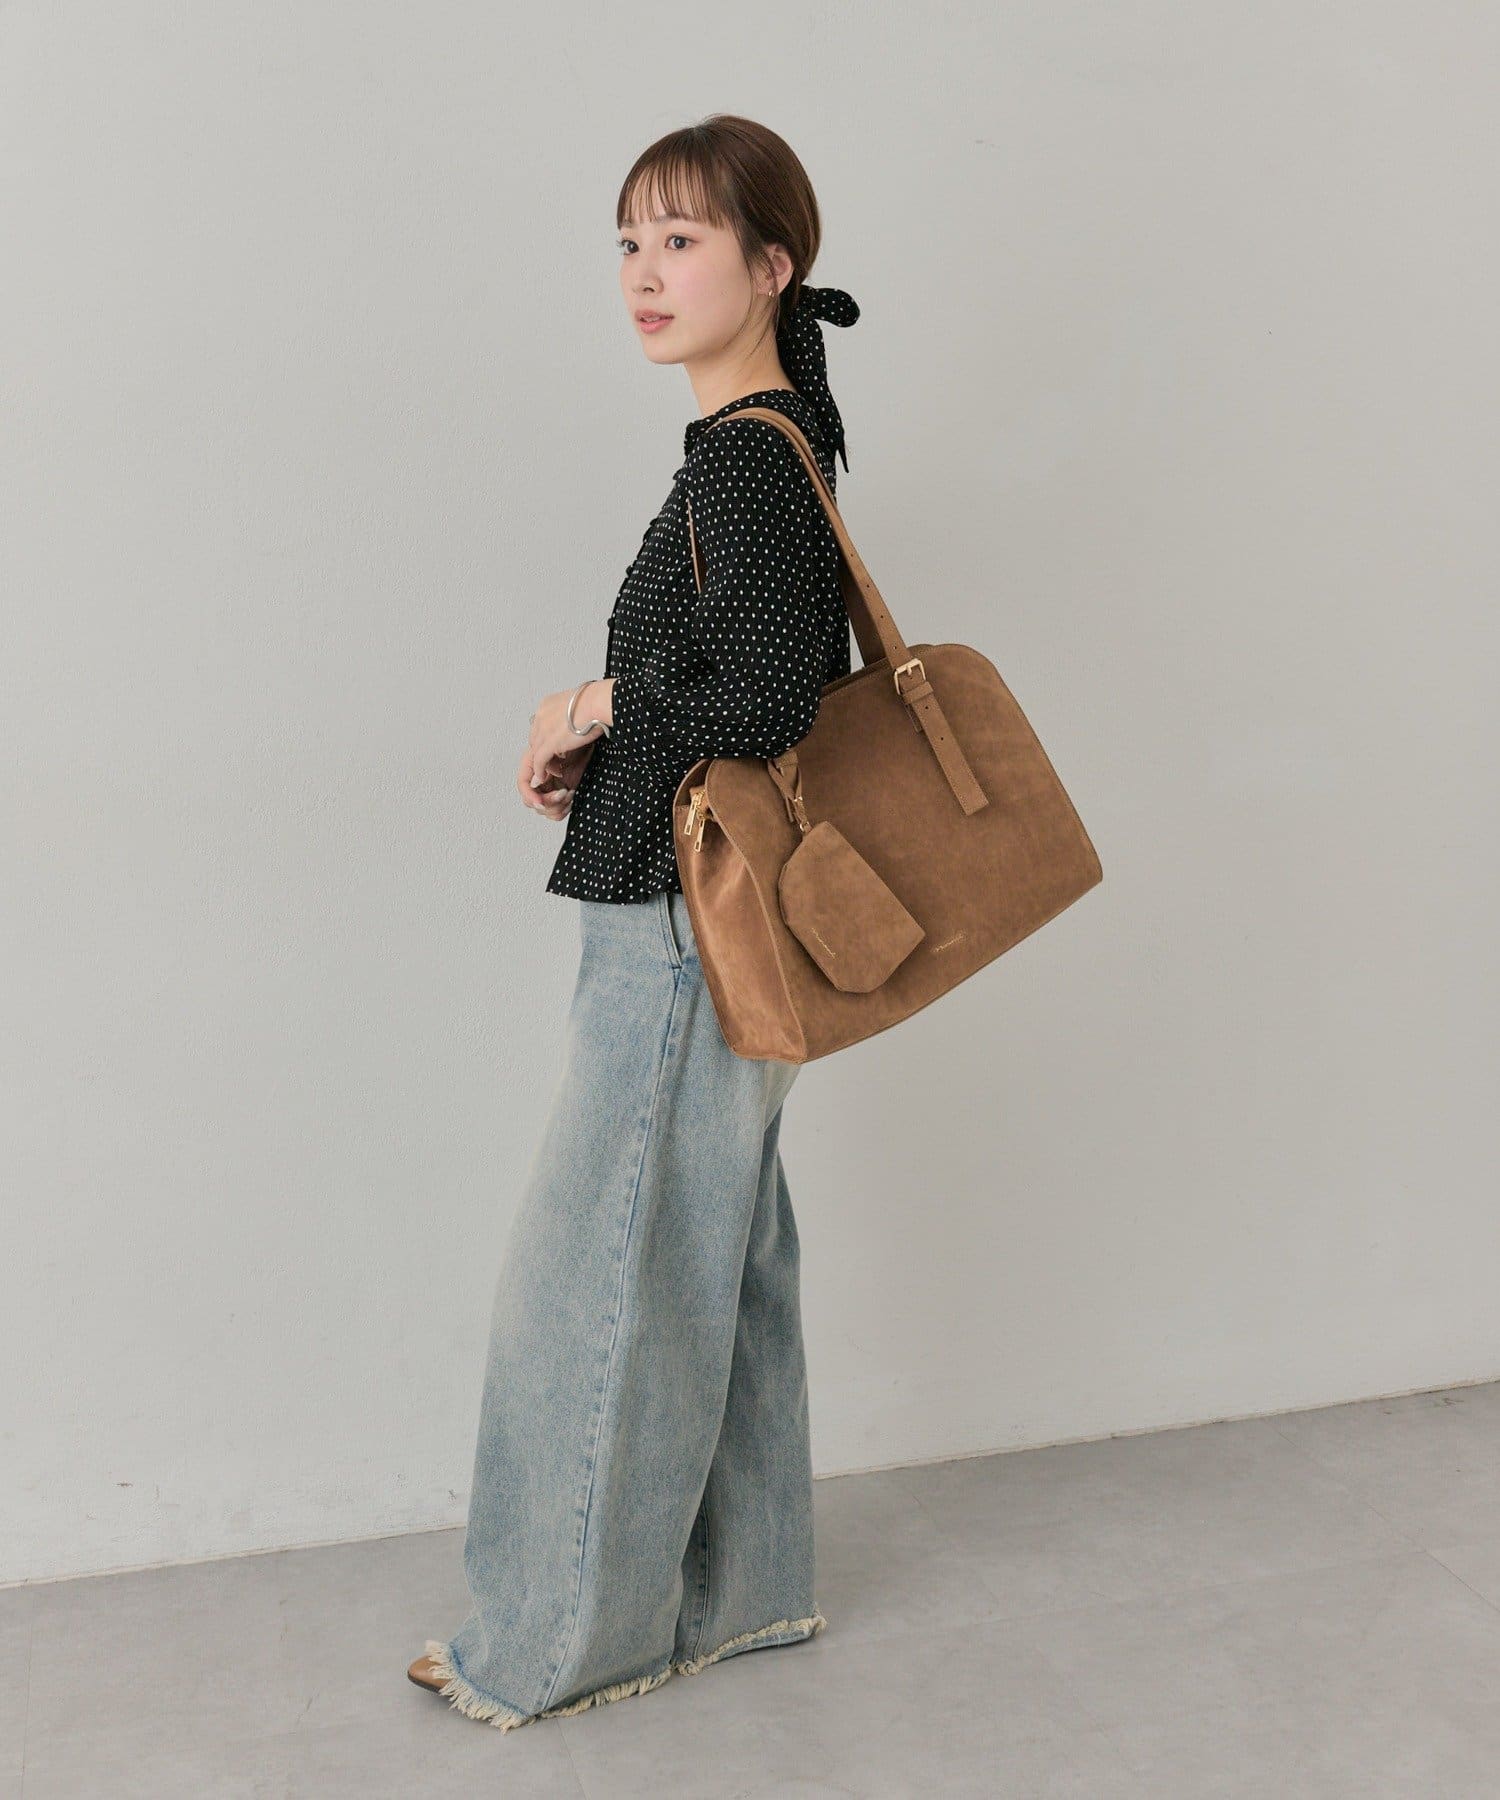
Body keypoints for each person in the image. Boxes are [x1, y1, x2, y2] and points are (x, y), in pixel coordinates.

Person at [408, 113, 860, 1731]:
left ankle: (563, 1639)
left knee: (596, 1275)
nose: (646, 274)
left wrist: (593, 701)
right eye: (629, 242)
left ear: (773, 264)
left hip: (680, 923)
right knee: (717, 1253)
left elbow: (767, 690)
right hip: (707, 911)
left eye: (683, 239)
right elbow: (754, 670)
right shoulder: (778, 435)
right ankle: (746, 1590)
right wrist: (604, 728)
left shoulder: (744, 455)